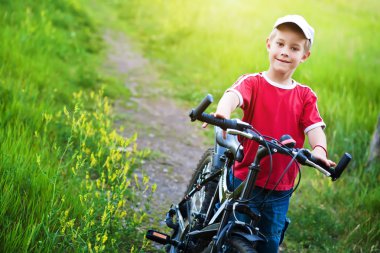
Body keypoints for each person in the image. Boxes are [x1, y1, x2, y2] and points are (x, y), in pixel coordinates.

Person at [204, 15, 336, 253]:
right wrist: (223, 112)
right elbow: (234, 95)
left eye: (294, 48)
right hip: (246, 178)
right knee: (229, 232)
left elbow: (314, 127)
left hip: (281, 186)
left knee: (270, 241)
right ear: (269, 44)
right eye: (280, 44)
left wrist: (319, 149)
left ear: (304, 56)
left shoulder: (305, 96)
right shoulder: (254, 82)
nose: (285, 51)